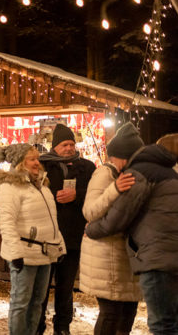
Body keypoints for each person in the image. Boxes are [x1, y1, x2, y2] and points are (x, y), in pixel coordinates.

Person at [86, 142, 178, 334]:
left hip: (154, 258)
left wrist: (91, 230)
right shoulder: (170, 174)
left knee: (161, 324)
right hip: (150, 255)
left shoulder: (139, 173)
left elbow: (117, 218)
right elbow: (91, 209)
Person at [0, 143, 66, 335]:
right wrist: (15, 253)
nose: (37, 163)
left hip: (45, 253)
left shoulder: (42, 185)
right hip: (24, 253)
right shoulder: (10, 187)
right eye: (32, 159)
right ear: (20, 163)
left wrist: (59, 246)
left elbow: (52, 220)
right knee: (21, 303)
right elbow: (6, 223)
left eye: (37, 159)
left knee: (38, 303)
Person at [79, 123, 143, 335]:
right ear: (124, 156)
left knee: (127, 311)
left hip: (124, 255)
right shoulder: (104, 175)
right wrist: (114, 190)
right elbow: (89, 211)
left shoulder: (128, 174)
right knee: (111, 314)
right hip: (106, 256)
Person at [38, 123, 95, 335]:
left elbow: (94, 195)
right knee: (41, 287)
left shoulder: (87, 167)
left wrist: (76, 195)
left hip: (72, 237)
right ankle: (38, 326)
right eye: (64, 144)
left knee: (65, 287)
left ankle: (62, 327)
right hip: (47, 237)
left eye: (72, 144)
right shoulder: (42, 166)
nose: (70, 148)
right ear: (55, 146)